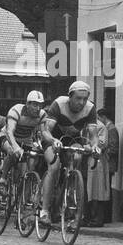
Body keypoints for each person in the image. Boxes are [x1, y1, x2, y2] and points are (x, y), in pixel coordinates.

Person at [40, 81, 99, 224]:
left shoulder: (90, 108)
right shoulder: (59, 104)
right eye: (78, 98)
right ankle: (45, 210)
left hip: (73, 139)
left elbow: (93, 135)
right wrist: (53, 141)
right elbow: (46, 130)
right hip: (53, 139)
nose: (82, 102)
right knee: (54, 168)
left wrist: (95, 147)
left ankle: (70, 185)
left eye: (85, 98)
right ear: (70, 97)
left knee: (78, 157)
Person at [3, 90, 46, 184]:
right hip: (8, 137)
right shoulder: (16, 111)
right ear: (27, 104)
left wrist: (43, 145)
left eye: (40, 105)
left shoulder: (42, 114)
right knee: (12, 152)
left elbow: (44, 133)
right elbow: (9, 132)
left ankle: (26, 185)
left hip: (26, 139)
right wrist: (15, 147)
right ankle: (3, 178)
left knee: (32, 160)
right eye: (35, 105)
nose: (38, 108)